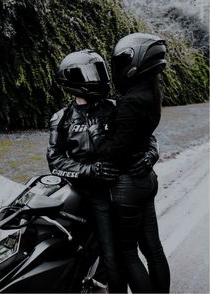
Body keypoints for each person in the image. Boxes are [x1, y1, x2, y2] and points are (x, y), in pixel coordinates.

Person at [46, 49, 160, 292]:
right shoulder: (61, 118)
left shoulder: (115, 106)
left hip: (122, 189)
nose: (97, 78)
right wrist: (90, 170)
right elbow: (55, 161)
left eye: (98, 71)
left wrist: (151, 156)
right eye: (90, 73)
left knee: (125, 255)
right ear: (73, 80)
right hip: (91, 195)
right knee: (114, 257)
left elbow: (145, 136)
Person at [88, 33, 171, 293]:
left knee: (127, 252)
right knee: (153, 248)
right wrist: (149, 153)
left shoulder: (130, 103)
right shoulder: (151, 92)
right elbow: (142, 137)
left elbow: (113, 153)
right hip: (146, 179)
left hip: (127, 186)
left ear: (136, 62)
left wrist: (97, 135)